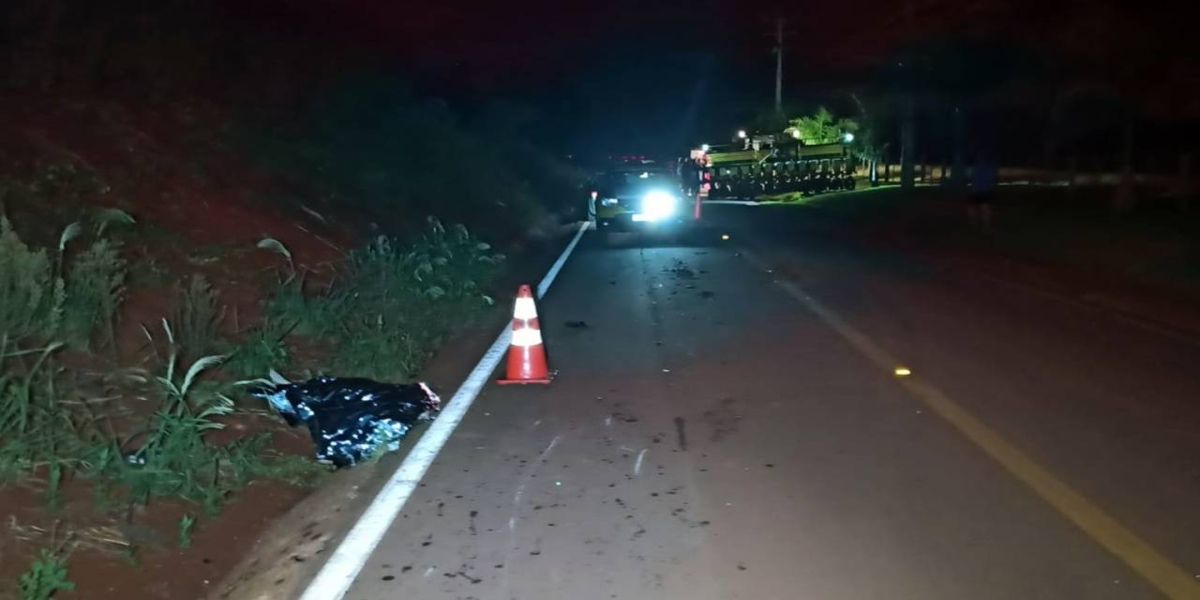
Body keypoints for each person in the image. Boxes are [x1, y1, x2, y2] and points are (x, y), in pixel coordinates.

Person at [968, 156, 998, 230]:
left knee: (973, 207)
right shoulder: (990, 167)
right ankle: (985, 225)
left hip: (977, 190)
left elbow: (972, 178)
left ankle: (975, 223)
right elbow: (993, 179)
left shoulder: (976, 167)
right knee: (985, 208)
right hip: (985, 191)